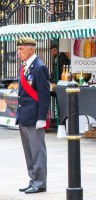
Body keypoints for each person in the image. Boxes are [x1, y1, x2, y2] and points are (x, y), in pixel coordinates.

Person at [16, 37, 50, 194]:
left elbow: (44, 95)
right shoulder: (25, 67)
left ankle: (40, 182)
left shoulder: (39, 67)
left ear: (30, 49)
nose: (18, 52)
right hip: (24, 116)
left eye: (21, 49)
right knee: (29, 152)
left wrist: (42, 118)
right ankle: (33, 179)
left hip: (35, 117)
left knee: (38, 152)